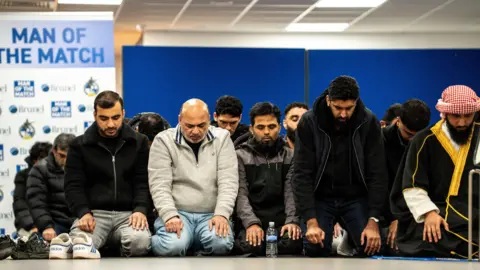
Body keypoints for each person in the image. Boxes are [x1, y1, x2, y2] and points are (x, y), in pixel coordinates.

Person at [293, 75, 388, 257]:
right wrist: (311, 221)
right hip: (321, 196)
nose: (343, 114)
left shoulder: (369, 122)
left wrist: (373, 220)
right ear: (328, 100)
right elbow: (301, 174)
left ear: (356, 102)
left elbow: (378, 173)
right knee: (316, 248)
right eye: (338, 108)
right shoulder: (309, 122)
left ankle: (350, 238)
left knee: (372, 247)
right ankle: (346, 235)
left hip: (356, 197)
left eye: (349, 108)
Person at [391, 85, 480, 258]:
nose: (462, 123)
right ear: (445, 114)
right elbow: (412, 186)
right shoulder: (424, 140)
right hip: (438, 212)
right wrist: (429, 213)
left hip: (474, 213)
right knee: (431, 233)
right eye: (456, 116)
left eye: (468, 116)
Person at [65, 90, 151, 258]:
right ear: (95, 115)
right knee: (80, 247)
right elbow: (73, 186)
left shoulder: (139, 142)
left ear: (123, 113)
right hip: (94, 215)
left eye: (116, 117)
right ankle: (99, 245)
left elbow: (143, 181)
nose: (111, 124)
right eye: (104, 118)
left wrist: (140, 209)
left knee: (140, 243)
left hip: (129, 214)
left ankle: (109, 248)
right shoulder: (78, 145)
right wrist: (83, 212)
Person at [149, 98, 238, 256]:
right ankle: (165, 240)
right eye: (189, 126)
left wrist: (222, 214)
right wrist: (169, 215)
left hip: (211, 214)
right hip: (178, 213)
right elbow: (159, 185)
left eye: (201, 125)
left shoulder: (223, 138)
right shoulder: (163, 140)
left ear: (210, 120)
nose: (195, 131)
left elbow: (228, 182)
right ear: (179, 120)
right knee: (172, 247)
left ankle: (191, 243)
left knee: (221, 244)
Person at [234, 102, 302, 256]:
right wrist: (251, 224)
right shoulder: (240, 155)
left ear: (279, 127)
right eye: (260, 127)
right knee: (251, 246)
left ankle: (269, 241)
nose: (266, 132)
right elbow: (241, 194)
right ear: (251, 129)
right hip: (251, 221)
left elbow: (291, 193)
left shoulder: (290, 156)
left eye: (271, 127)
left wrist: (291, 221)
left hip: (280, 224)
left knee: (293, 243)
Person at [381, 99, 431, 253]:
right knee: (387, 245)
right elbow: (378, 185)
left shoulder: (428, 142)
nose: (413, 140)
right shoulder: (380, 140)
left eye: (417, 135)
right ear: (398, 121)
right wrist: (394, 218)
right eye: (409, 134)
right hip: (384, 212)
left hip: (416, 212)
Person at [26, 133, 76, 242]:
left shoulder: (84, 167)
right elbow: (37, 202)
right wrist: (46, 226)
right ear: (54, 151)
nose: (66, 161)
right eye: (62, 156)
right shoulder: (39, 169)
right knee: (45, 245)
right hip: (55, 223)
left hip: (80, 222)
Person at [13, 142, 52, 238]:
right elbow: (20, 204)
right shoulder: (22, 176)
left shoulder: (57, 175)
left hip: (52, 226)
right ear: (35, 160)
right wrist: (31, 226)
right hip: (29, 226)